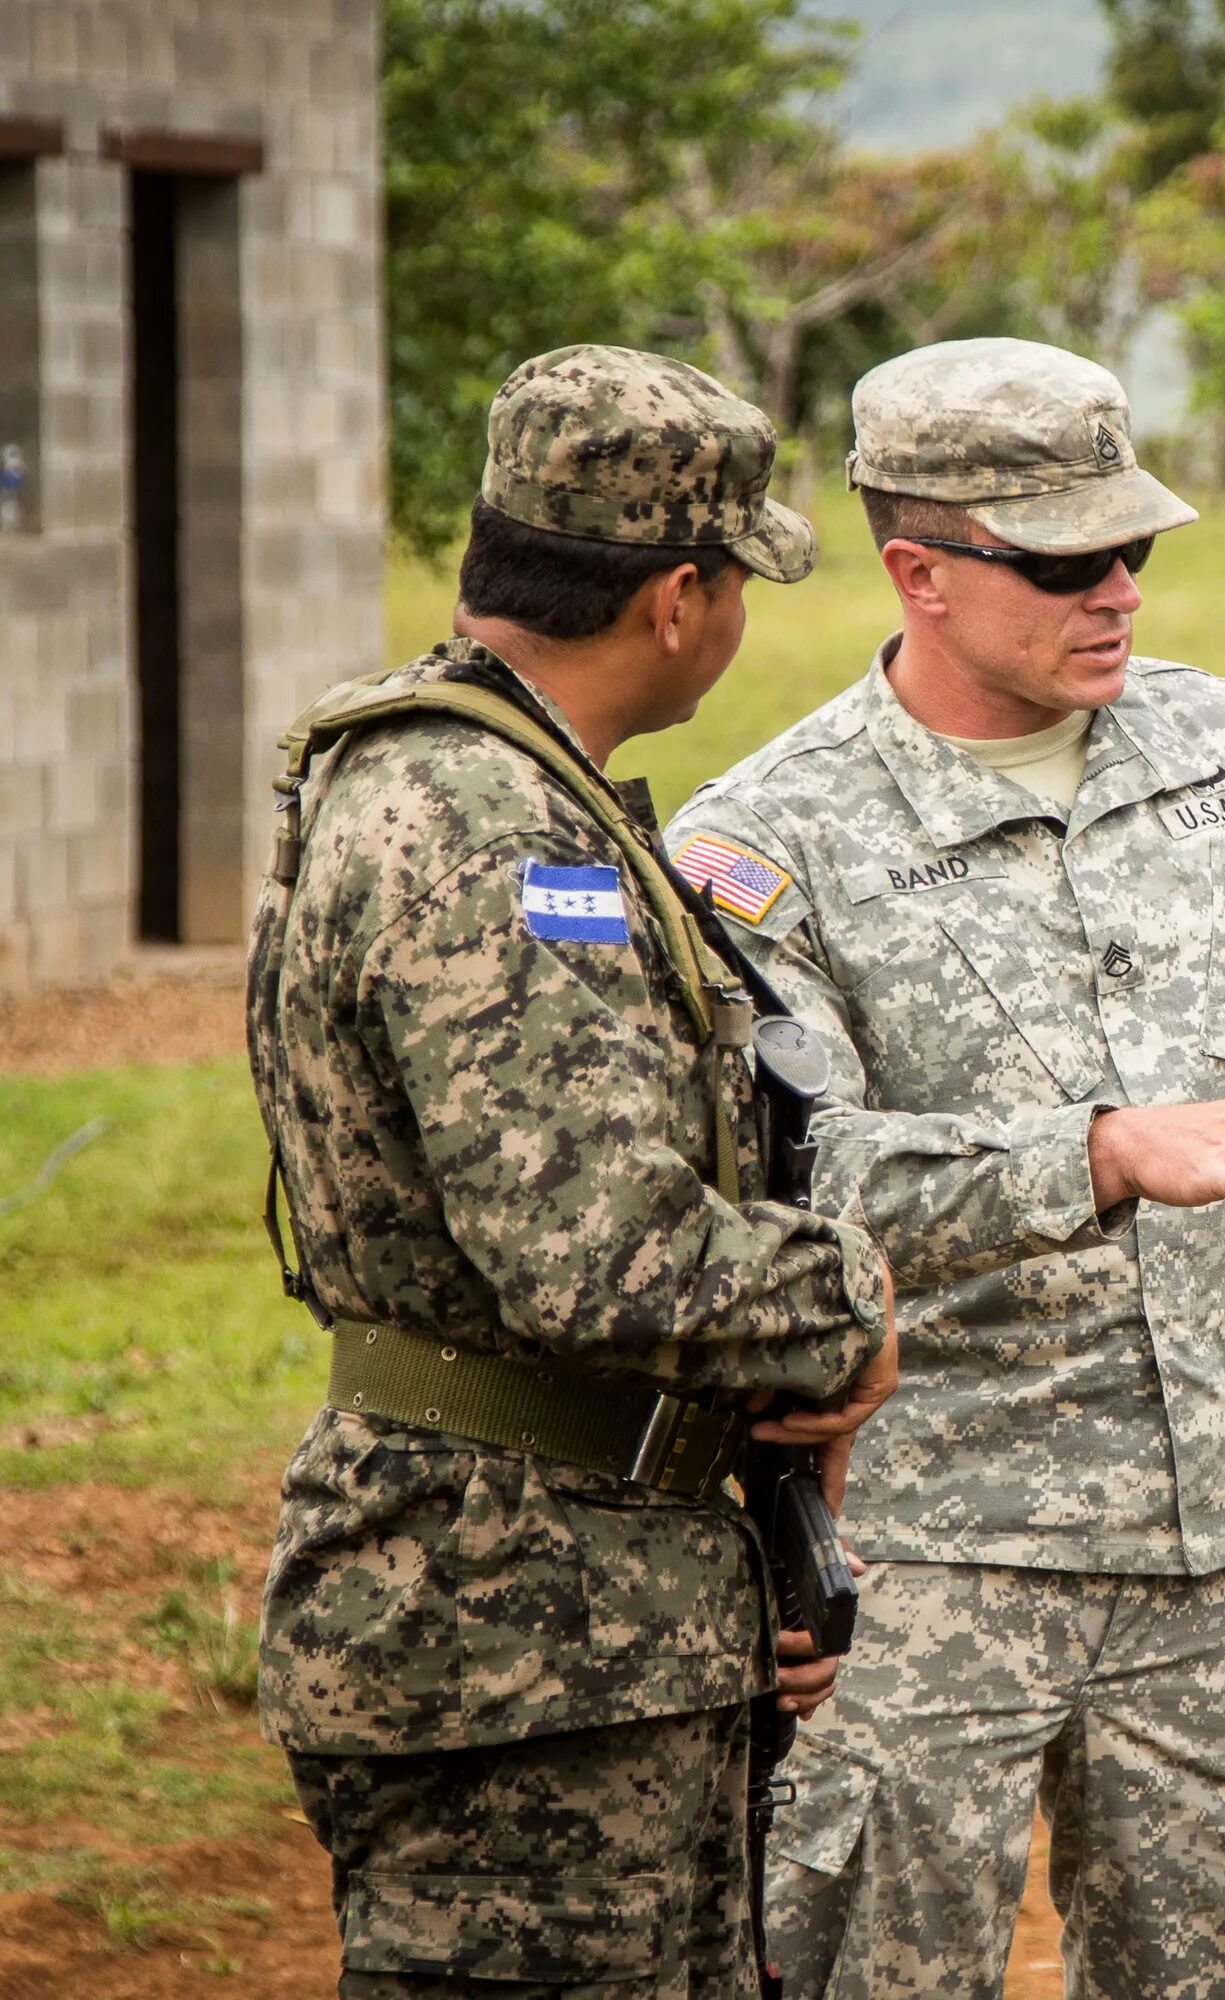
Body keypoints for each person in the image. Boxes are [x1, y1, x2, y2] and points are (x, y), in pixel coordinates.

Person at [663, 336, 1225, 1999]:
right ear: (923, 575)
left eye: (1137, 548)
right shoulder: (764, 844)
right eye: (1062, 563)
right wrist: (1096, 1157)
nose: (1118, 589)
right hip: (925, 1551)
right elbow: (779, 1183)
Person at [251, 346, 903, 1996]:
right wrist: (848, 1310)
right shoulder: (498, 832)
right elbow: (595, 1254)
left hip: (567, 1617)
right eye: (736, 581)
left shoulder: (441, 771)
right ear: (676, 598)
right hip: (520, 1645)